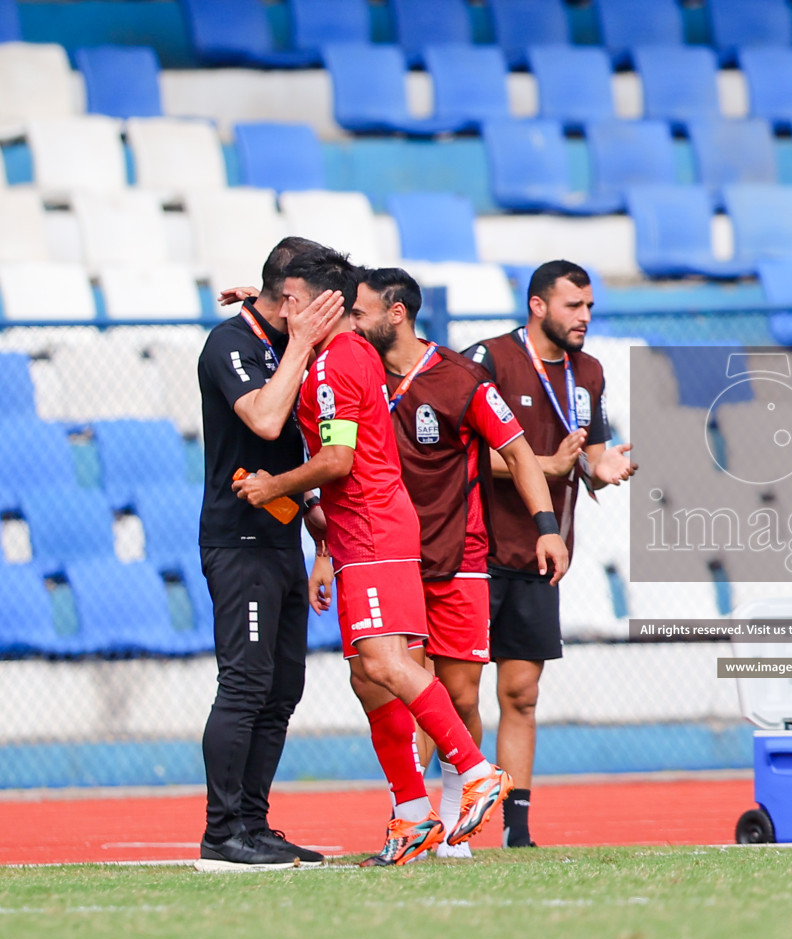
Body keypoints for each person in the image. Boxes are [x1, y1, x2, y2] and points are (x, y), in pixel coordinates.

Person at [233, 249, 515, 866]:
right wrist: (262, 312)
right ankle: (413, 817)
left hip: (371, 529)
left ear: (321, 304)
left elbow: (337, 462)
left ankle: (475, 771)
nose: (288, 312)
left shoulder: (335, 366)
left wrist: (271, 487)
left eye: (293, 300)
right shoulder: (349, 349)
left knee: (388, 665)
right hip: (368, 532)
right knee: (369, 677)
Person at [342, 267, 569, 858]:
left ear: (397, 313)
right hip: (389, 555)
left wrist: (547, 528)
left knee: (461, 696)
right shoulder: (357, 375)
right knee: (394, 688)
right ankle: (412, 822)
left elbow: (519, 455)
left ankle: (453, 822)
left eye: (361, 312)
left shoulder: (460, 378)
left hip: (458, 556)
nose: (352, 322)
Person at [462, 260, 637, 848]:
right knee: (458, 691)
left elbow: (592, 451)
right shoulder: (488, 360)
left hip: (543, 556)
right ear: (537, 305)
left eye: (589, 307)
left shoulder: (589, 371)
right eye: (573, 307)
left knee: (521, 694)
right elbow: (454, 456)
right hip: (476, 549)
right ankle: (435, 817)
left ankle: (517, 831)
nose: (584, 317)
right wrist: (543, 467)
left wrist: (601, 466)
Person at [195, 236, 338, 871]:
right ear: (293, 299)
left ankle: (254, 824)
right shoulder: (229, 343)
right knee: (246, 684)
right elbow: (265, 421)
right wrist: (297, 339)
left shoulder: (282, 337)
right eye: (320, 305)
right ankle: (221, 833)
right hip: (238, 542)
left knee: (283, 689)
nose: (327, 318)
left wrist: (320, 545)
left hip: (282, 541)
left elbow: (293, 463)